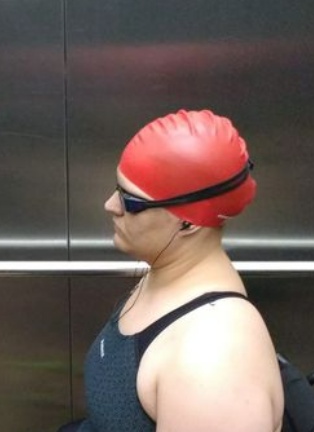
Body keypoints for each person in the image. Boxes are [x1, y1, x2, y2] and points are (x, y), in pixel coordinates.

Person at [73, 109, 284, 432]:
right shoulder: (168, 268)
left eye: (131, 202)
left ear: (188, 223)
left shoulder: (212, 365)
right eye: (118, 187)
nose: (110, 205)